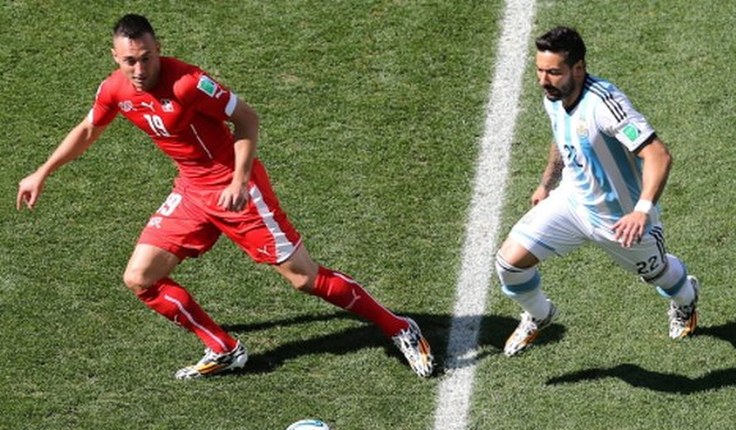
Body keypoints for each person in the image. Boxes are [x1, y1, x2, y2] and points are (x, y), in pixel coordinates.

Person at [16, 14, 434, 379]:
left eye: (146, 58)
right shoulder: (115, 90)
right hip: (191, 191)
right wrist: (42, 172)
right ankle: (224, 348)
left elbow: (247, 120)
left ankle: (400, 327)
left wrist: (239, 179)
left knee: (304, 278)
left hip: (238, 190)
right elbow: (89, 129)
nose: (139, 69)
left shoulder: (189, 84)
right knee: (140, 278)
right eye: (130, 61)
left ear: (158, 49)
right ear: (115, 57)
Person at [495, 26, 699, 356]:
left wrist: (641, 211)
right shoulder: (554, 96)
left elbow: (658, 155)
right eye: (540, 70)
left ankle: (686, 298)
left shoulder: (605, 105)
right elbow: (561, 137)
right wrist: (547, 184)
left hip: (621, 222)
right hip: (572, 203)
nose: (544, 80)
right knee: (509, 264)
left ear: (578, 68)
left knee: (658, 274)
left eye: (553, 72)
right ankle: (539, 314)